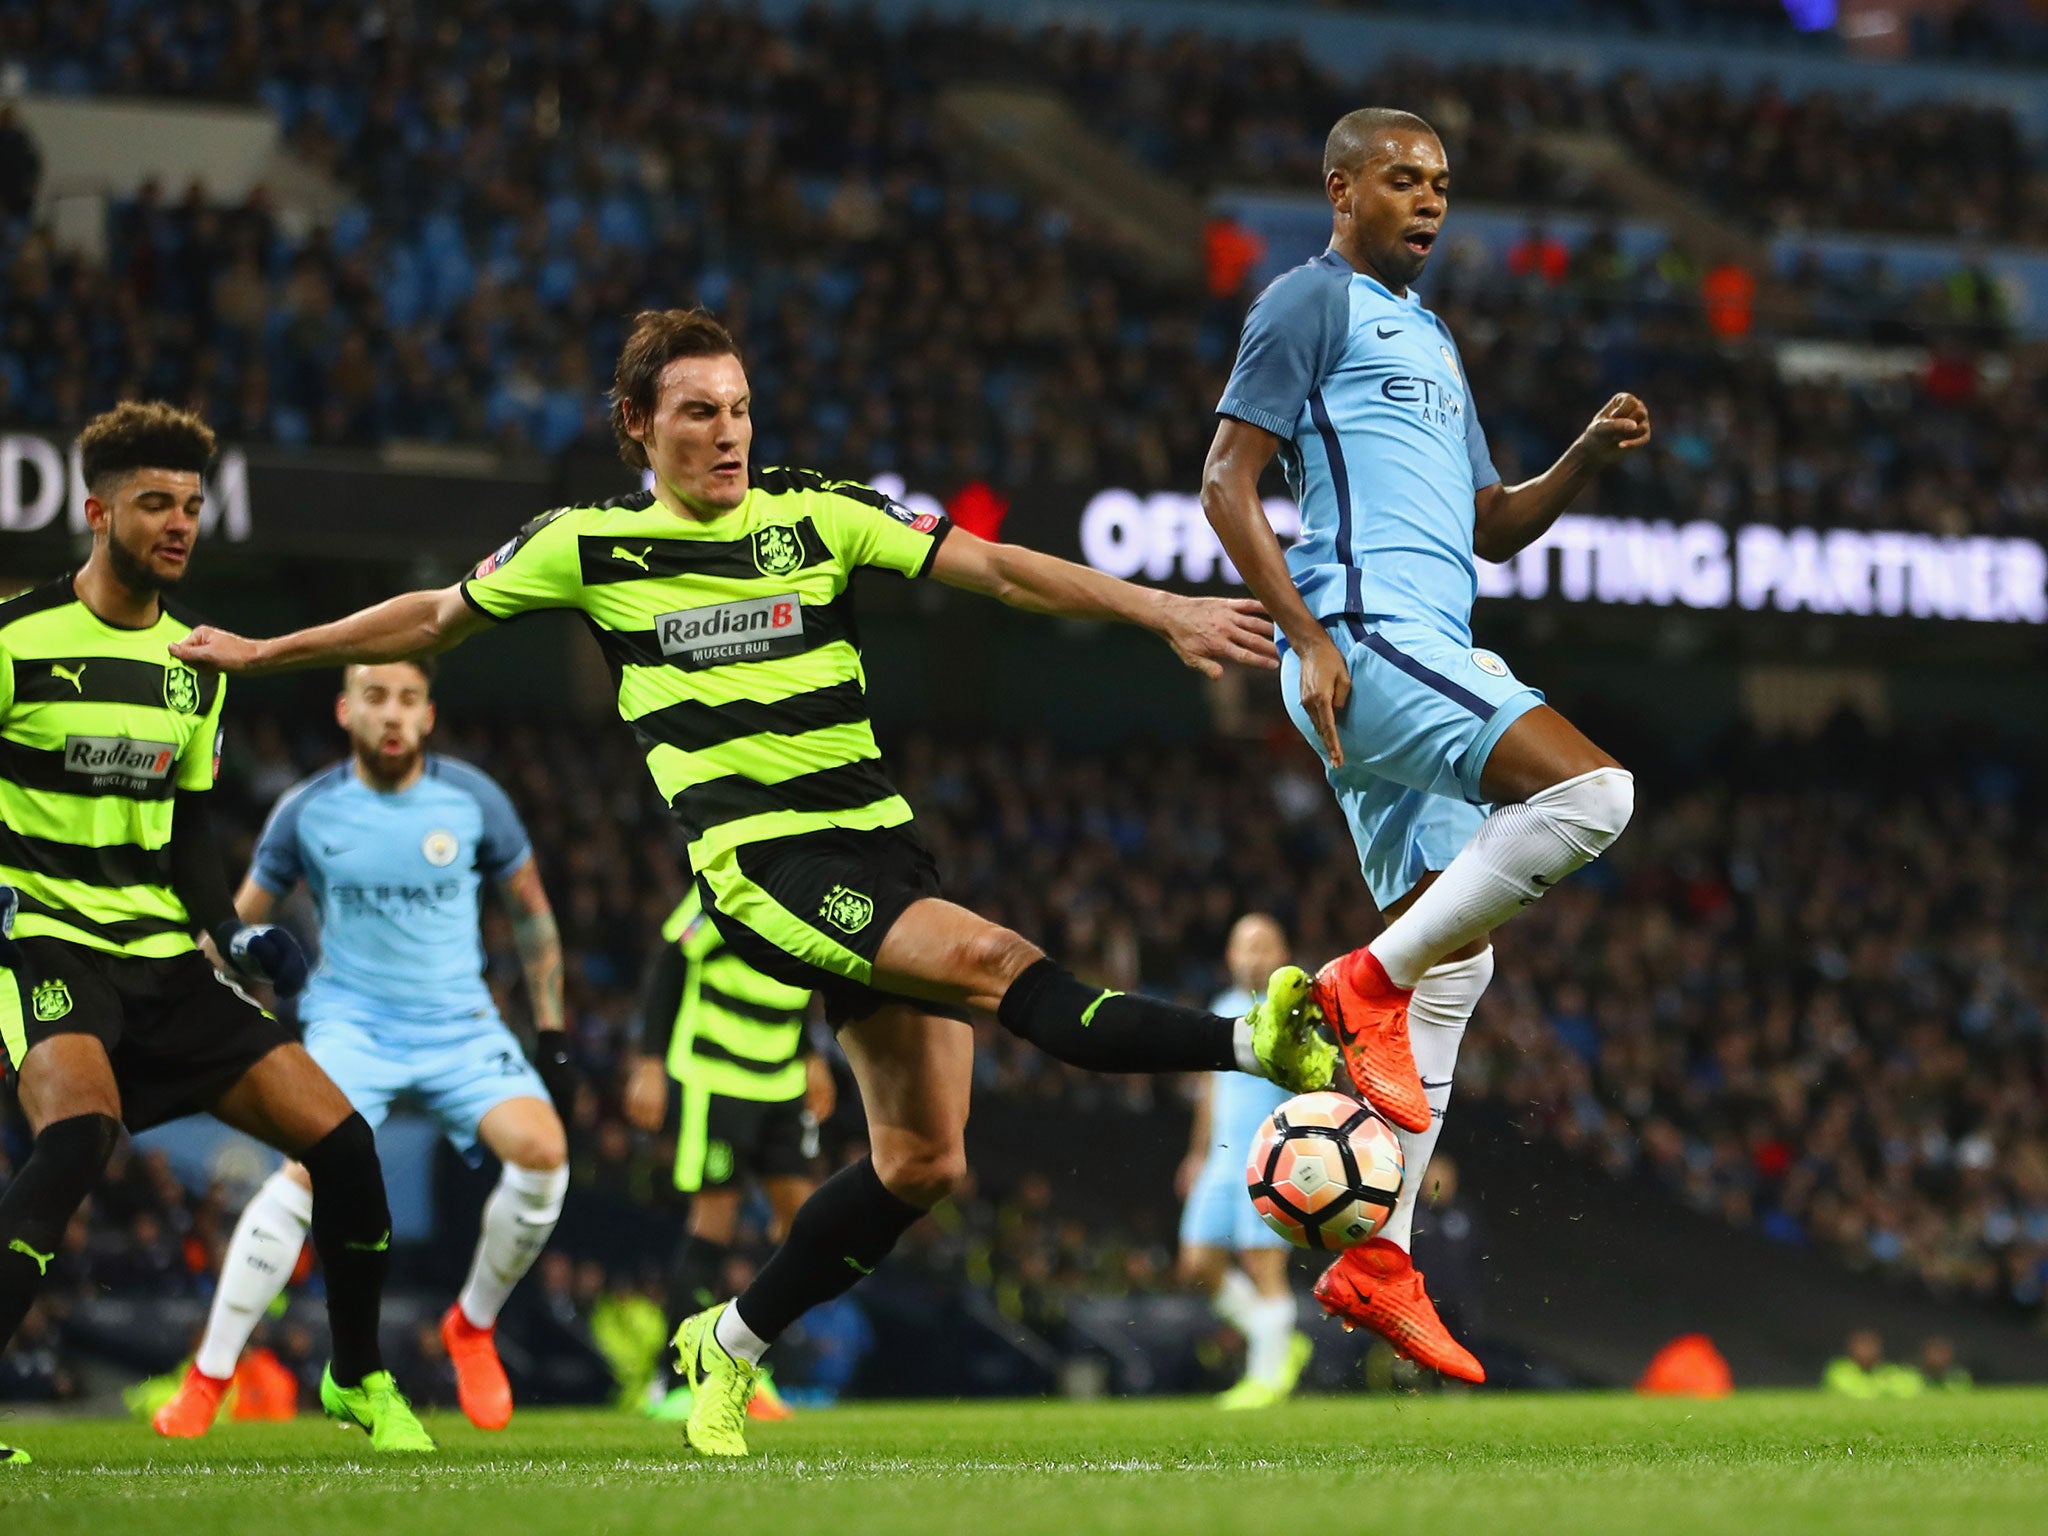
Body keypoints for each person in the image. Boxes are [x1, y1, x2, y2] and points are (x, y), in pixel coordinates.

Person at [168, 307, 1340, 1457]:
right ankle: (1251, 1048)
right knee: (994, 964)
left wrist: (1160, 608)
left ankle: (725, 1345)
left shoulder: (813, 514)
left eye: (737, 409)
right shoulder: (587, 545)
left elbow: (991, 567)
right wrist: (268, 653)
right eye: (694, 413)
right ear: (637, 426)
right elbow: (432, 614)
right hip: (766, 866)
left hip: (882, 845)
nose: (725, 434)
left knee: (921, 1165)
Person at [1201, 107, 1651, 1382]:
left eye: (1442, 184)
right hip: (1363, 635)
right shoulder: (1307, 303)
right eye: (1402, 180)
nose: (1428, 201)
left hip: (1414, 640)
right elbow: (1224, 482)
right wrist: (1304, 633)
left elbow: (1491, 526)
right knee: (1594, 794)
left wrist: (1580, 454)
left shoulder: (1437, 341)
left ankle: (1375, 1256)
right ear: (1337, 188)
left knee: (1453, 967)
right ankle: (1351, 984)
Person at [0, 403, 430, 1463]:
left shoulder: (197, 665)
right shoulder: (13, 641)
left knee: (344, 1141)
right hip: (44, 937)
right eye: (155, 504)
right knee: (78, 1133)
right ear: (97, 513)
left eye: (190, 506)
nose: (179, 524)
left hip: (158, 949)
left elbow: (188, 834)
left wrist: (231, 936)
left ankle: (360, 1375)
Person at [151, 658, 571, 1436]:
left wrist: (551, 1032)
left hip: (459, 1026)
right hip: (353, 1025)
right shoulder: (306, 810)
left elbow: (533, 916)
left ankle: (471, 1328)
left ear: (428, 715)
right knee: (304, 1177)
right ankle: (208, 1377)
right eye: (376, 698)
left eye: (408, 700)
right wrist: (197, 988)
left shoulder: (474, 801)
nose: (392, 714)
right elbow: (234, 923)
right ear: (347, 710)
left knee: (545, 1154)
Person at [623, 887, 838, 1420]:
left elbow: (795, 981)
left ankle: (743, 1360)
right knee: (714, 1220)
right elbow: (671, 962)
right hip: (717, 1078)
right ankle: (674, 1377)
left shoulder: (810, 892)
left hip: (783, 1080)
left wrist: (810, 1055)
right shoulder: (728, 885)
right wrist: (650, 1061)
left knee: (803, 1226)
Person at [1175, 913, 1310, 1409]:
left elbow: (1317, 1084)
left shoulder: (1298, 1010)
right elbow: (1211, 1091)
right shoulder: (1222, 1008)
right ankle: (1274, 1336)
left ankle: (1267, 1377)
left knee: (1261, 1265)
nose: (1253, 958)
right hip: (1220, 1158)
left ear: (1282, 955)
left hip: (1274, 1157)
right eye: (1244, 948)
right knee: (1196, 1263)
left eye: (1264, 948)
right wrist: (1195, 1154)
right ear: (1230, 956)